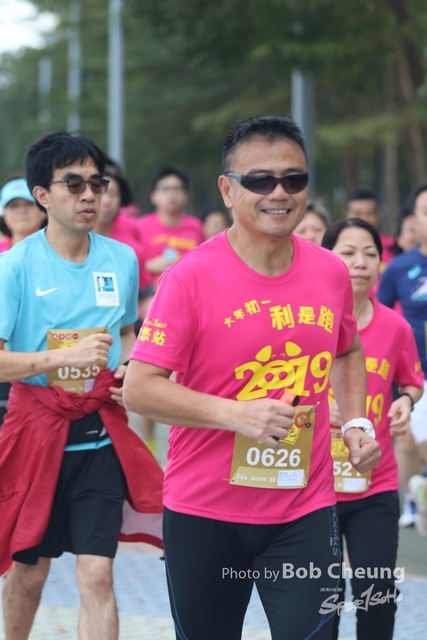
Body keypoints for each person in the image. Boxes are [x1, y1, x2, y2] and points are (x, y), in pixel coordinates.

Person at [123, 116, 380, 640]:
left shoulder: (330, 272)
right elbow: (140, 388)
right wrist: (236, 414)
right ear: (227, 189)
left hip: (304, 509)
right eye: (260, 180)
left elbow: (348, 347)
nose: (279, 193)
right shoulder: (189, 278)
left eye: (294, 179)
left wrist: (357, 421)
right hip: (205, 513)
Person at [0, 132, 163, 640]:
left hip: (99, 437)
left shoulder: (122, 259)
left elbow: (128, 331)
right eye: (73, 184)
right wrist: (63, 358)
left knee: (96, 573)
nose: (90, 195)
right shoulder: (13, 266)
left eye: (97, 183)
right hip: (36, 434)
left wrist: (130, 366)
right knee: (31, 572)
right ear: (42, 195)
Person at [322, 218, 423, 640]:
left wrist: (405, 402)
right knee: (321, 600)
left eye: (370, 254)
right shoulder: (310, 322)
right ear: (326, 259)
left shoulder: (396, 327)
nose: (360, 262)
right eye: (347, 252)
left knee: (377, 596)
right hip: (315, 487)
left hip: (374, 485)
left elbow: (412, 381)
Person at [378, 183, 427, 528]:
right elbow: (377, 316)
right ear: (414, 220)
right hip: (417, 375)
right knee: (411, 443)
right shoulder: (398, 268)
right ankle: (413, 501)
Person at [0, 176, 47, 426]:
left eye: (28, 204)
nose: (21, 211)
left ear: (42, 208)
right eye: (13, 205)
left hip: (49, 370)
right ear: (3, 214)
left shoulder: (61, 257)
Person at [94, 171, 154, 318]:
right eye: (100, 192)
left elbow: (144, 292)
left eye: (113, 194)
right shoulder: (74, 236)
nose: (106, 200)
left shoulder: (130, 230)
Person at [138, 166, 203, 288]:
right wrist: (149, 266)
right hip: (151, 295)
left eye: (177, 189)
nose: (171, 194)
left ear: (185, 196)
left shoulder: (196, 227)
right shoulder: (140, 226)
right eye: (165, 189)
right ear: (153, 196)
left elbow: (203, 264)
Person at [345, 188, 395, 266]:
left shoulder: (393, 246)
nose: (363, 219)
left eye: (369, 214)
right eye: (357, 214)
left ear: (379, 216)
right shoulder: (338, 246)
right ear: (347, 215)